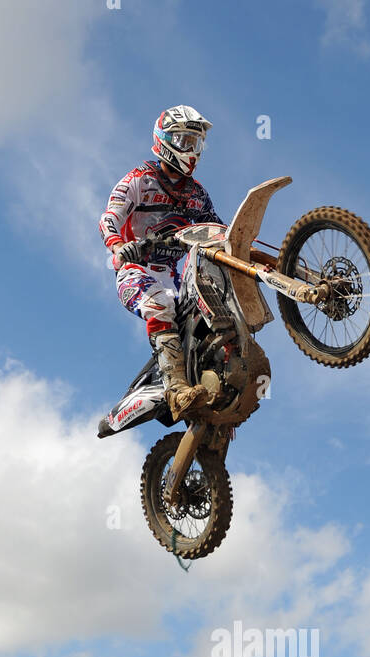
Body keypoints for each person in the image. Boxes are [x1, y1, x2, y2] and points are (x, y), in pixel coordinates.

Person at [98, 106, 221, 433]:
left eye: (197, 143)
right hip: (135, 272)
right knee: (161, 304)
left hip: (174, 276)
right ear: (165, 140)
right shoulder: (140, 179)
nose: (191, 150)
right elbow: (110, 216)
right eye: (185, 140)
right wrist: (117, 246)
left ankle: (218, 391)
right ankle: (178, 391)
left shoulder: (196, 194)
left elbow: (218, 230)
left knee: (206, 316)